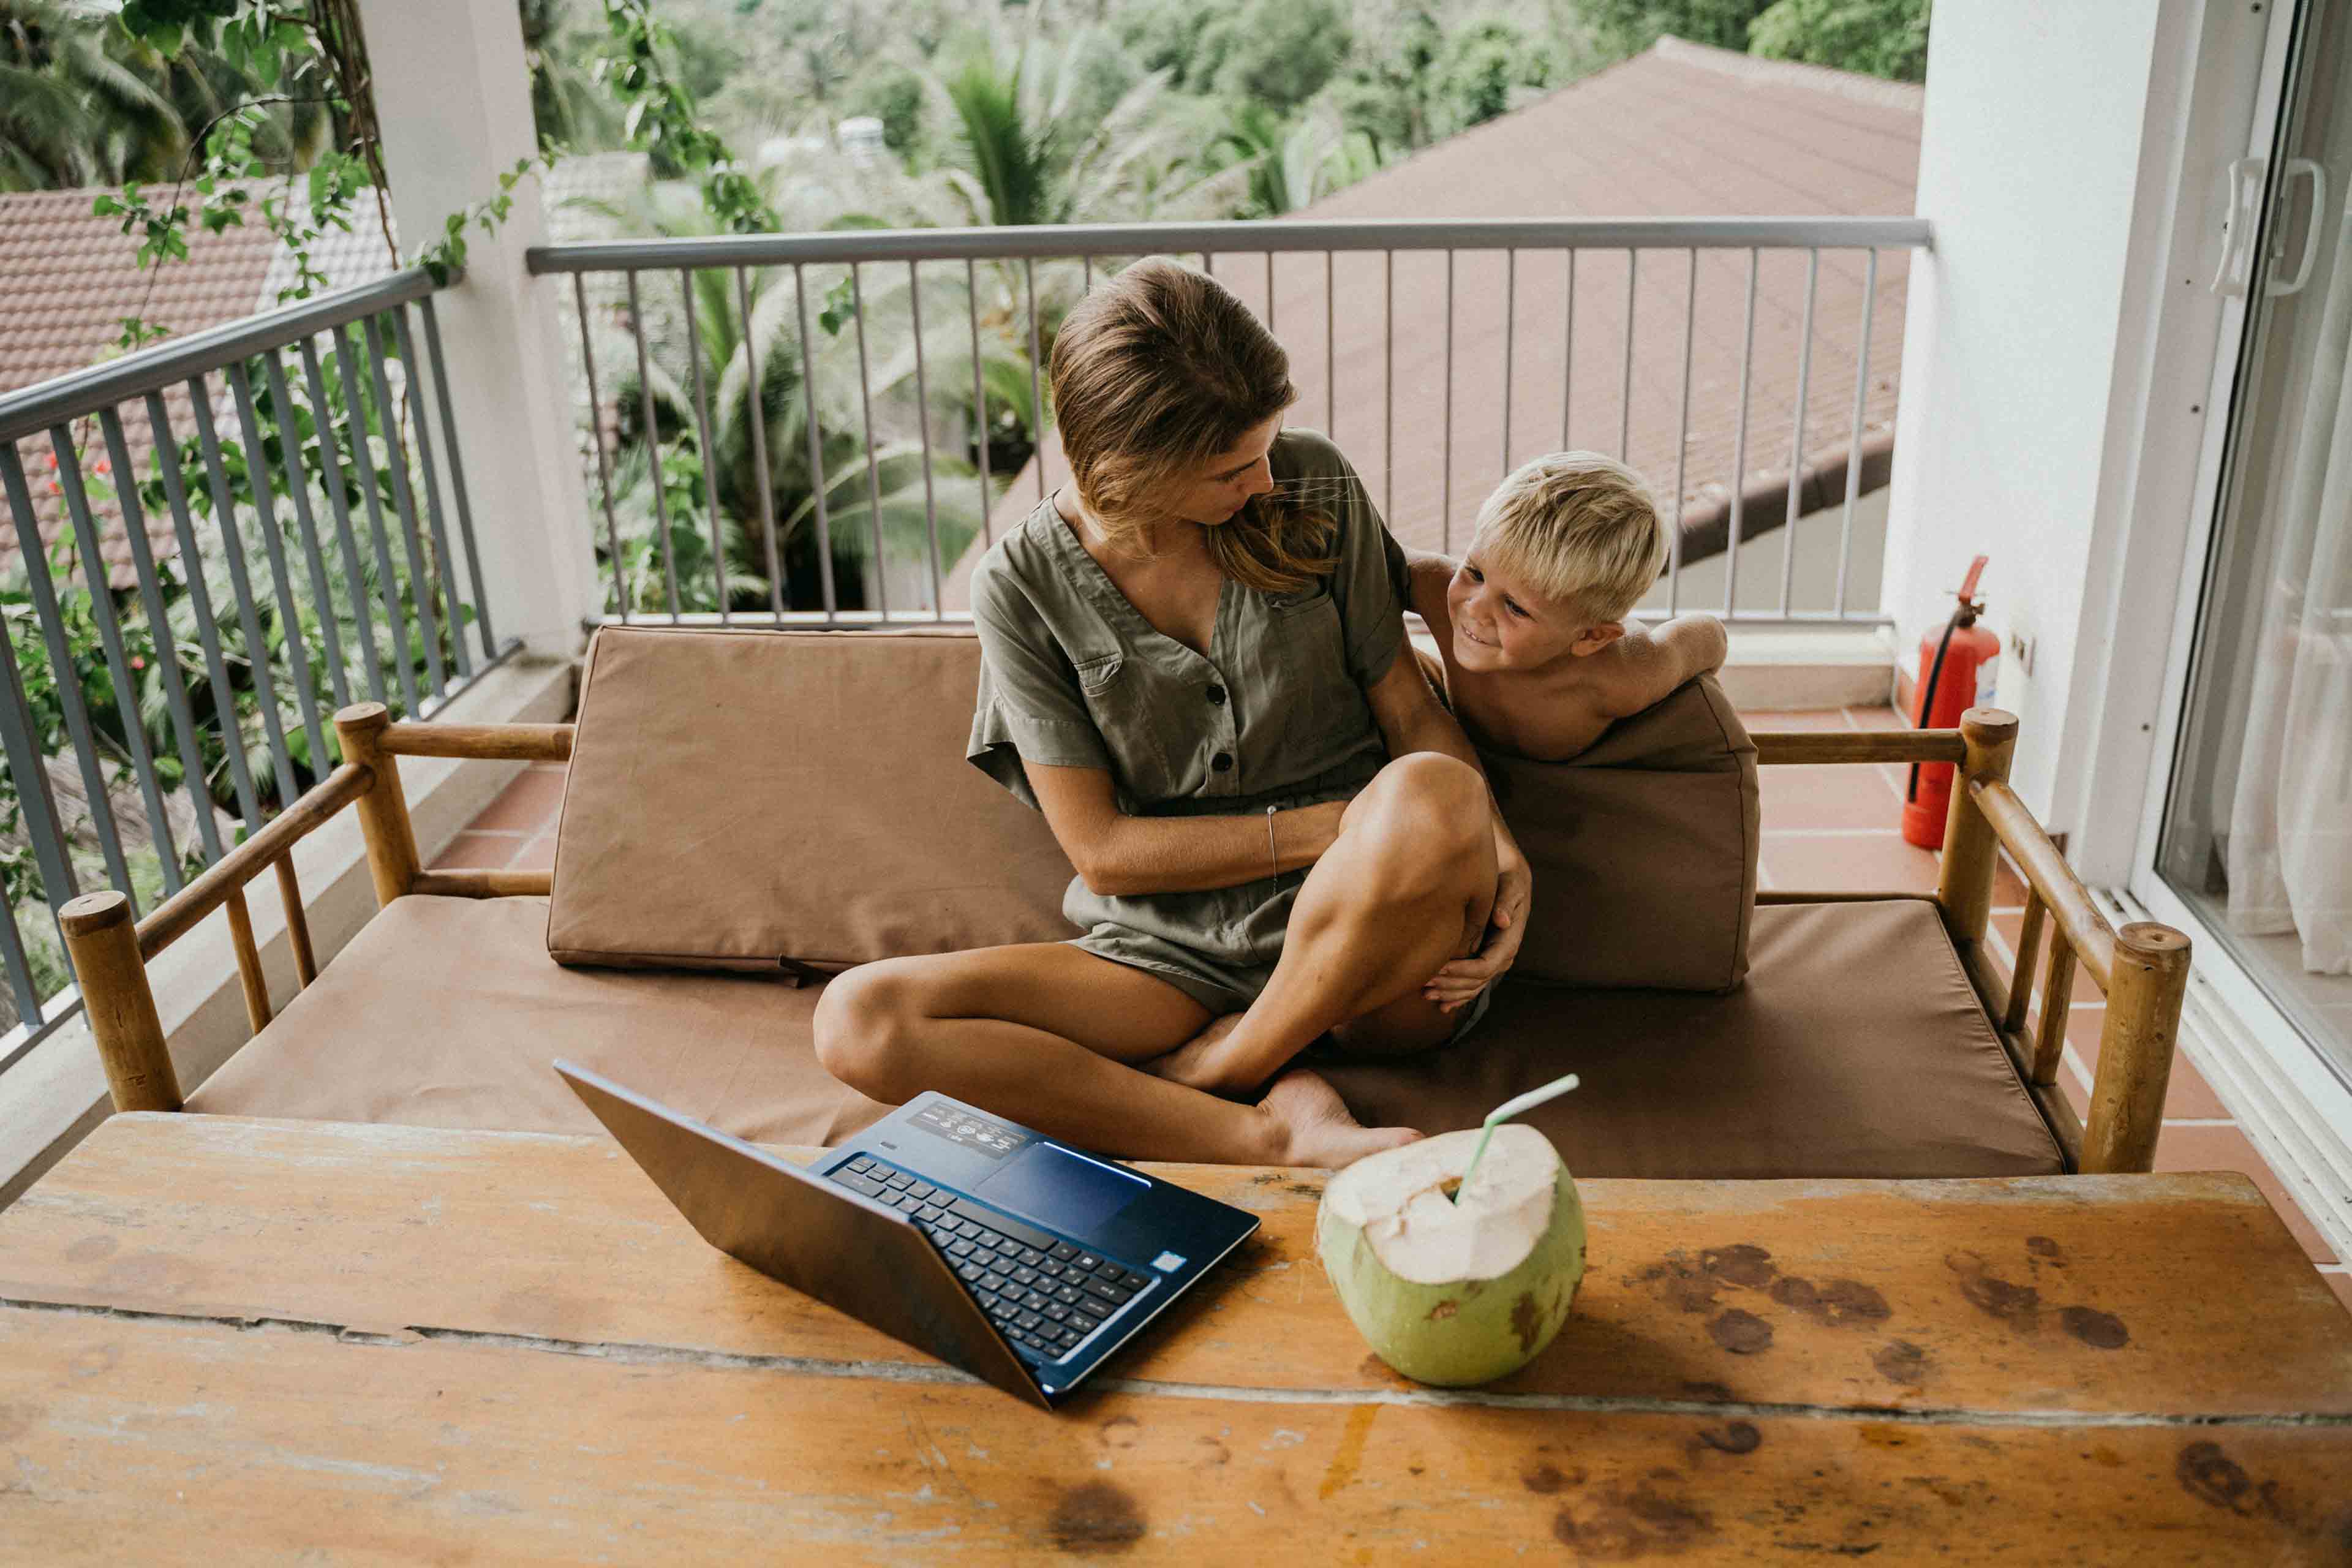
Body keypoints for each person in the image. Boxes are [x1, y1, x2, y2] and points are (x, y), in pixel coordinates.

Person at [812, 257, 1532, 1169]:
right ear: (1127, 474)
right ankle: (1264, 1133)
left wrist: (1494, 843)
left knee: (1432, 789)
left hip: (1377, 951)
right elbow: (1106, 856)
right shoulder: (1021, 587)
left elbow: (1408, 708)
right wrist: (1345, 828)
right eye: (1232, 468)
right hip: (1169, 958)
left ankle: (1232, 1062)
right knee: (859, 1022)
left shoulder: (1313, 487)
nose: (1266, 481)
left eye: (1266, 447)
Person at [1396, 452, 1729, 761]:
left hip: (1584, 773)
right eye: (1476, 572)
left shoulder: (1622, 679)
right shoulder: (1438, 589)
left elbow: (1709, 635)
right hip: (1475, 753)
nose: (1476, 608)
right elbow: (1363, 550)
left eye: (1514, 607)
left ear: (1592, 638)